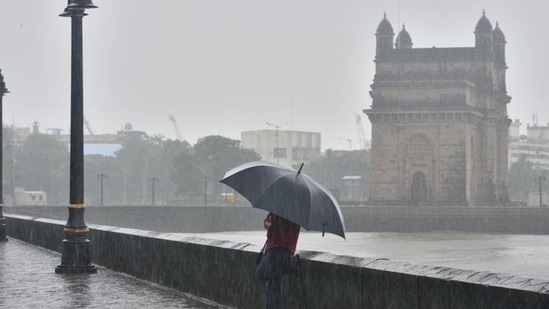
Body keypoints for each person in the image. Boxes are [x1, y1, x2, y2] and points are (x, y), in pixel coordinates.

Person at [255, 212, 301, 309]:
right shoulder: (294, 212)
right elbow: (267, 222)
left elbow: (268, 223)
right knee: (272, 283)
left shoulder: (282, 210)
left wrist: (273, 225)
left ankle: (289, 264)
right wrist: (270, 225)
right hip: (282, 250)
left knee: (267, 280)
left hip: (277, 250)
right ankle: (289, 263)